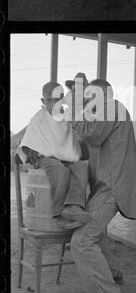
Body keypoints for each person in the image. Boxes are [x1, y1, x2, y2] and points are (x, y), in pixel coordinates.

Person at [66, 77, 136, 293]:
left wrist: (76, 111)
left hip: (113, 187)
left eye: (92, 96)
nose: (89, 100)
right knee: (96, 235)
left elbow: (91, 135)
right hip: (106, 186)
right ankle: (114, 273)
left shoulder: (113, 107)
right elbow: (87, 143)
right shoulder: (104, 114)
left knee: (82, 241)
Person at [17, 81, 91, 226]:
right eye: (49, 100)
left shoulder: (68, 116)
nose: (53, 103)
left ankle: (74, 206)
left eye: (57, 99)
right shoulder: (38, 119)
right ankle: (60, 214)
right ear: (43, 100)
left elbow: (74, 139)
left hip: (66, 156)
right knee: (59, 170)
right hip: (43, 157)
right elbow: (31, 144)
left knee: (81, 167)